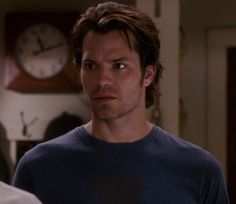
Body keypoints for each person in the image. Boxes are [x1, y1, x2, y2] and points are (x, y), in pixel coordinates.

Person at [12, 2, 229, 204]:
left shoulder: (199, 171)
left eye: (119, 66)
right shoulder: (39, 167)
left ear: (148, 74)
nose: (102, 80)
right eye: (90, 65)